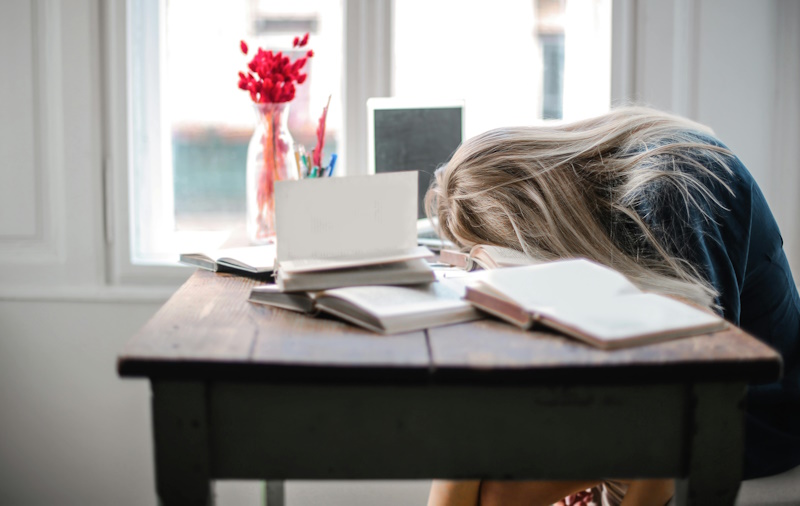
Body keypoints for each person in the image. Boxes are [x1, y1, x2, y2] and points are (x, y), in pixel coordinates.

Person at [423, 106, 800, 506]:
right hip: (664, 395)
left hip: (755, 418)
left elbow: (692, 405)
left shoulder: (673, 189)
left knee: (493, 487)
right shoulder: (612, 179)